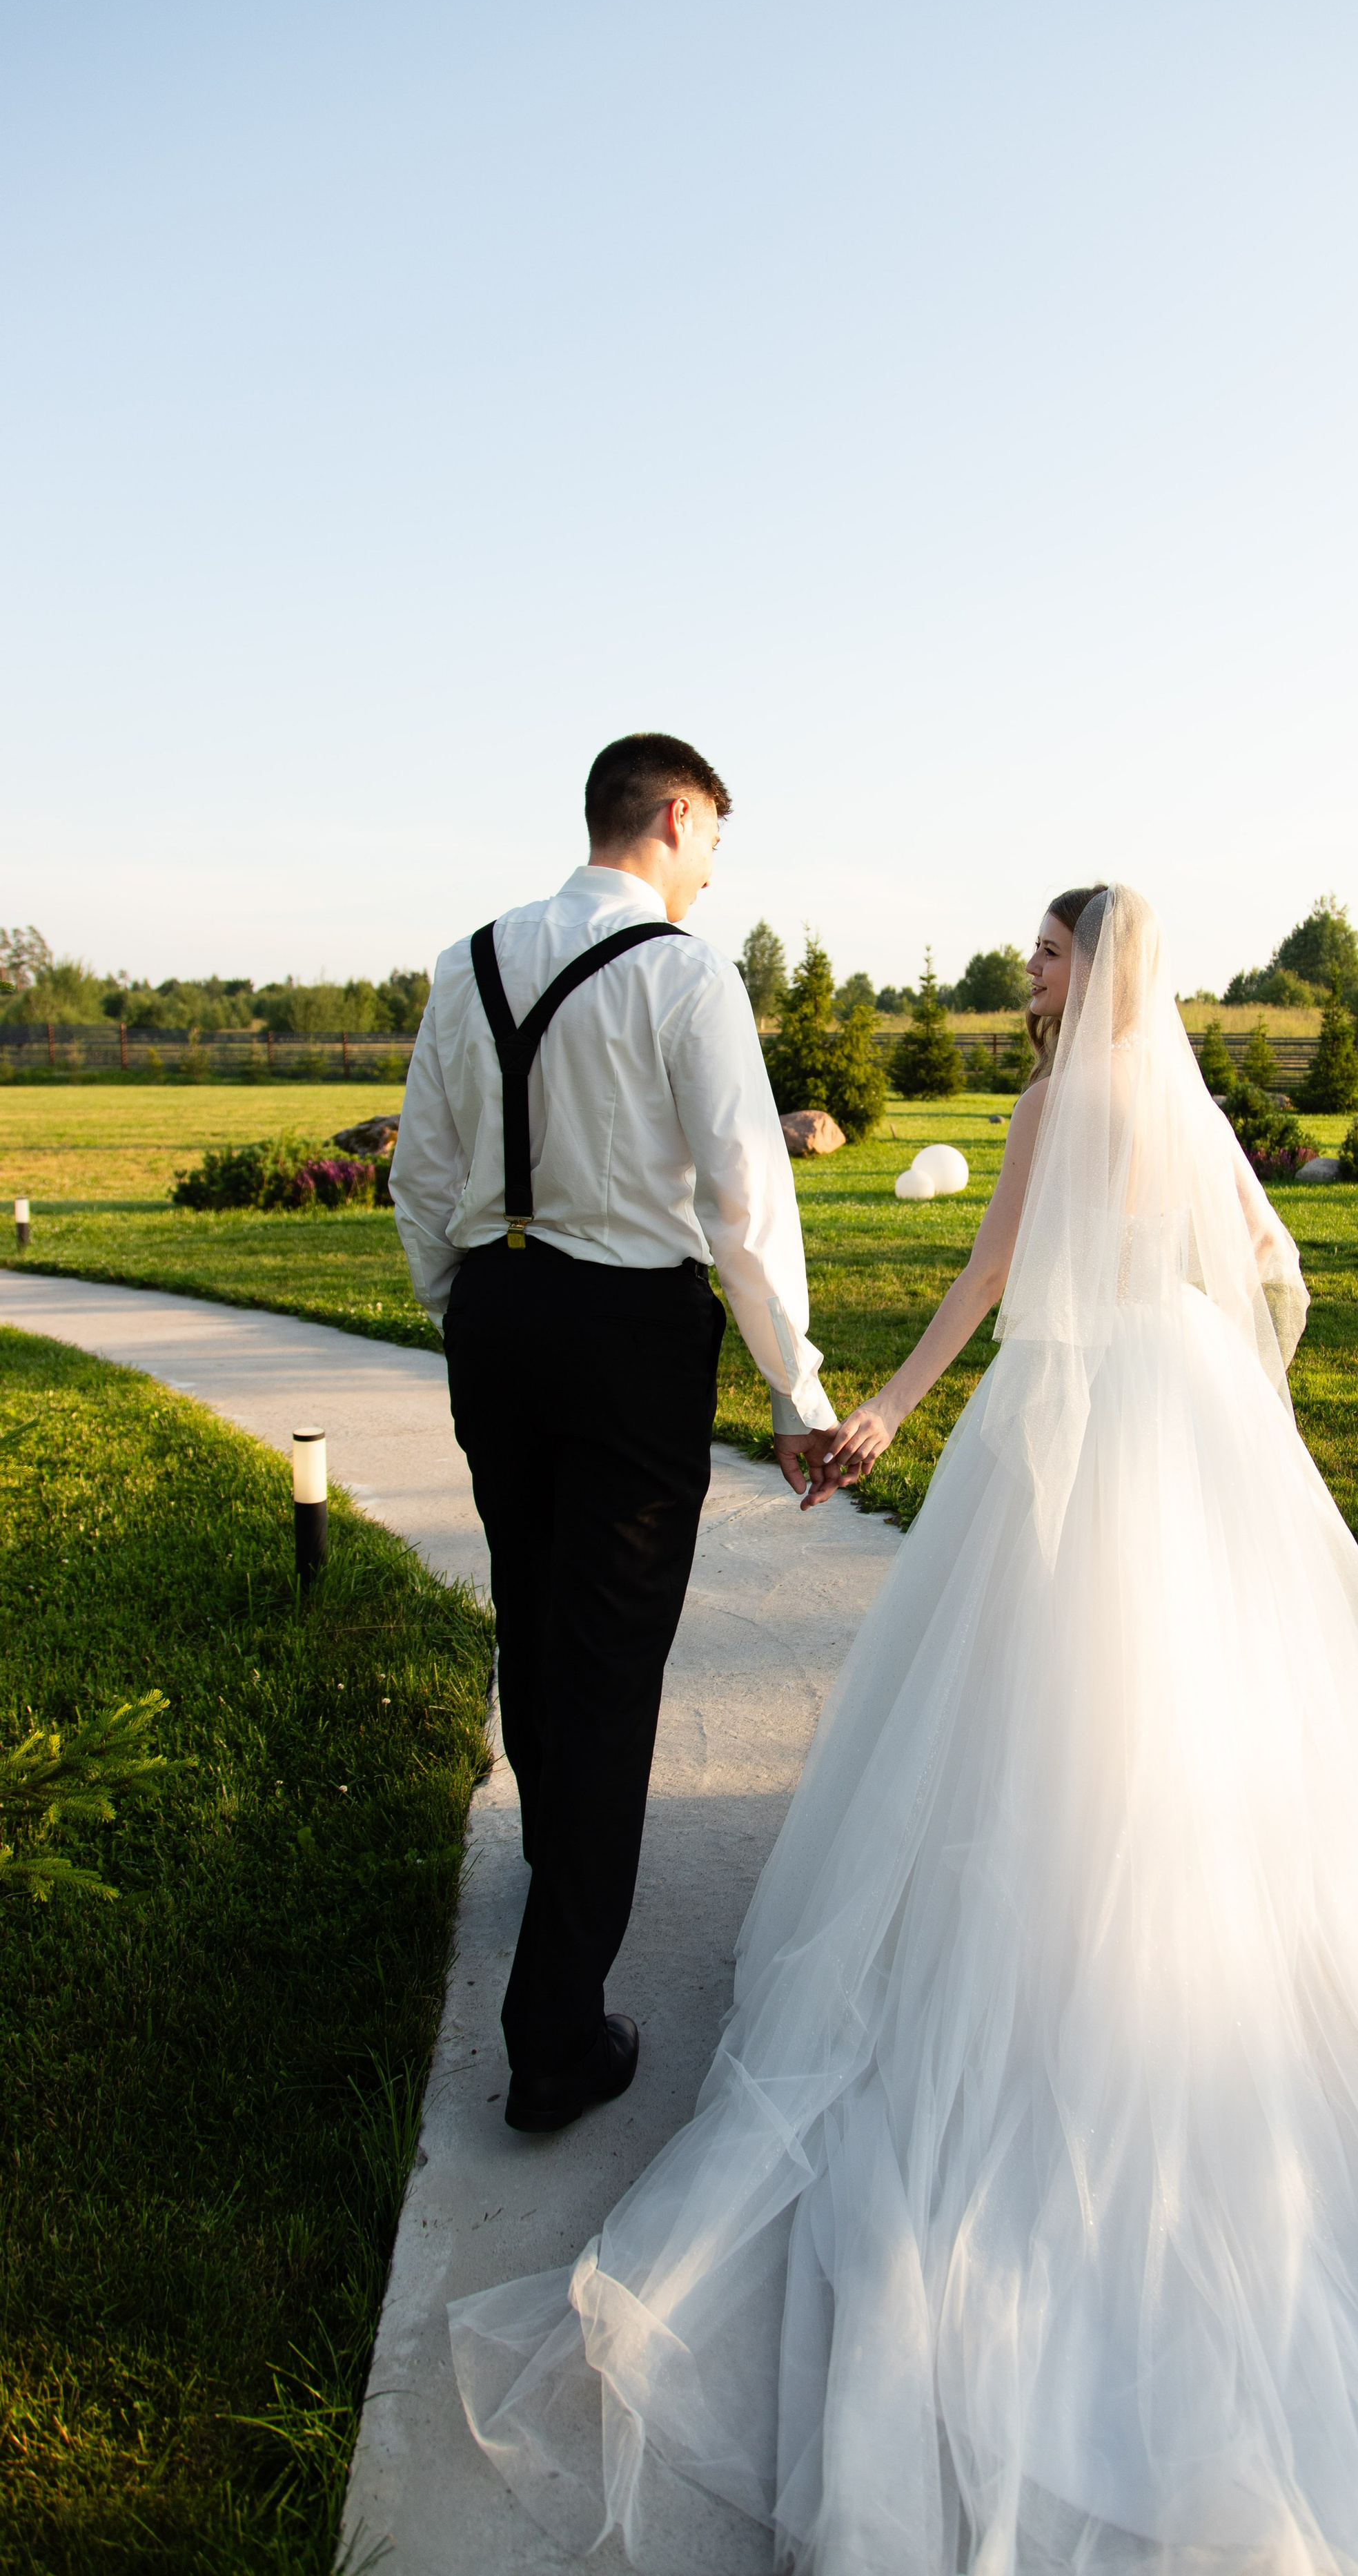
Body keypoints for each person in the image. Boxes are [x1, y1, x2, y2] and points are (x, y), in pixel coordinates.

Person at [452, 885, 1358, 2574]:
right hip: (1191, 1418)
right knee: (1199, 1709)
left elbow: (988, 1282)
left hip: (1072, 1413)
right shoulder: (1179, 1099)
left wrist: (884, 1411)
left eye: (1050, 950)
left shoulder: (1058, 1100)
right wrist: (1223, 1409)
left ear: (1101, 964)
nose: (1030, 971)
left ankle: (1069, 1966)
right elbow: (1270, 1273)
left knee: (1044, 1710)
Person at [391, 733, 836, 2137]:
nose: (710, 875)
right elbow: (743, 1202)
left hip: (498, 1316)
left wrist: (469, 1298)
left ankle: (554, 1865)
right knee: (612, 1651)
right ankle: (555, 2040)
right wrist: (796, 1390)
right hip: (627, 1333)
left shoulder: (466, 962)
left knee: (534, 1610)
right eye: (712, 845)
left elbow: (421, 1177)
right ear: (675, 813)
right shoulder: (684, 973)